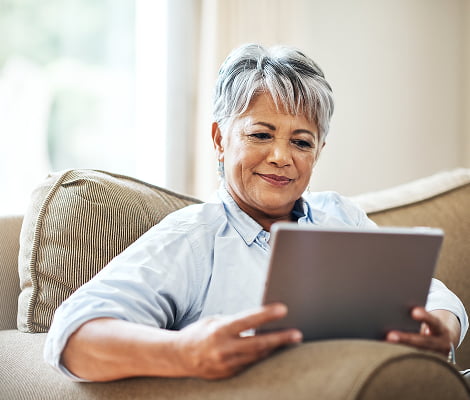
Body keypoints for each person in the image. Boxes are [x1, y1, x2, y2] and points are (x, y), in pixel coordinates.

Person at [44, 43, 468, 381]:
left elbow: (432, 294)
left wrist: (441, 326)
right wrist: (186, 352)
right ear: (220, 139)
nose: (281, 156)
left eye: (302, 142)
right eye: (261, 134)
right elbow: (72, 335)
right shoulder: (195, 238)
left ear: (319, 152)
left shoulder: (341, 217)